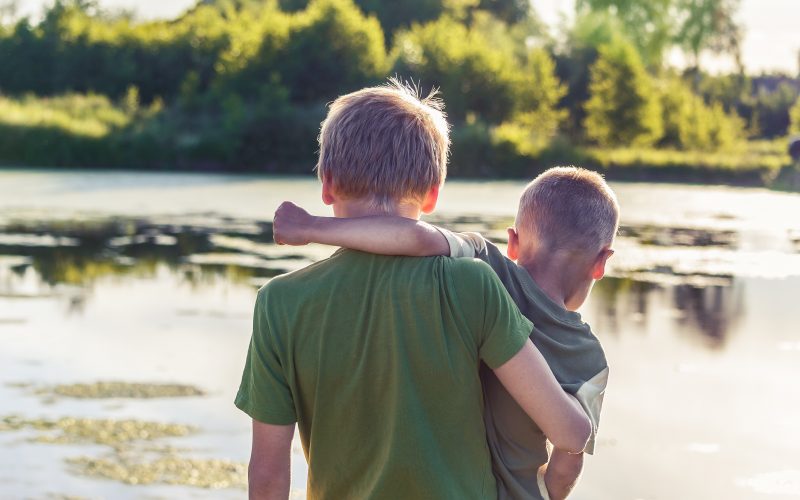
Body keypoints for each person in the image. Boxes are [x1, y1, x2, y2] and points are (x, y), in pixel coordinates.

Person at [235, 81, 591, 500]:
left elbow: (268, 478)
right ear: (433, 194)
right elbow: (568, 431)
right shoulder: (472, 283)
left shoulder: (279, 302)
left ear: (327, 184)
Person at [272, 166, 617, 500]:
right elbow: (567, 462)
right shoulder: (590, 359)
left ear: (513, 242)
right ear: (601, 262)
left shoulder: (489, 267)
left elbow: (414, 236)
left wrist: (311, 228)